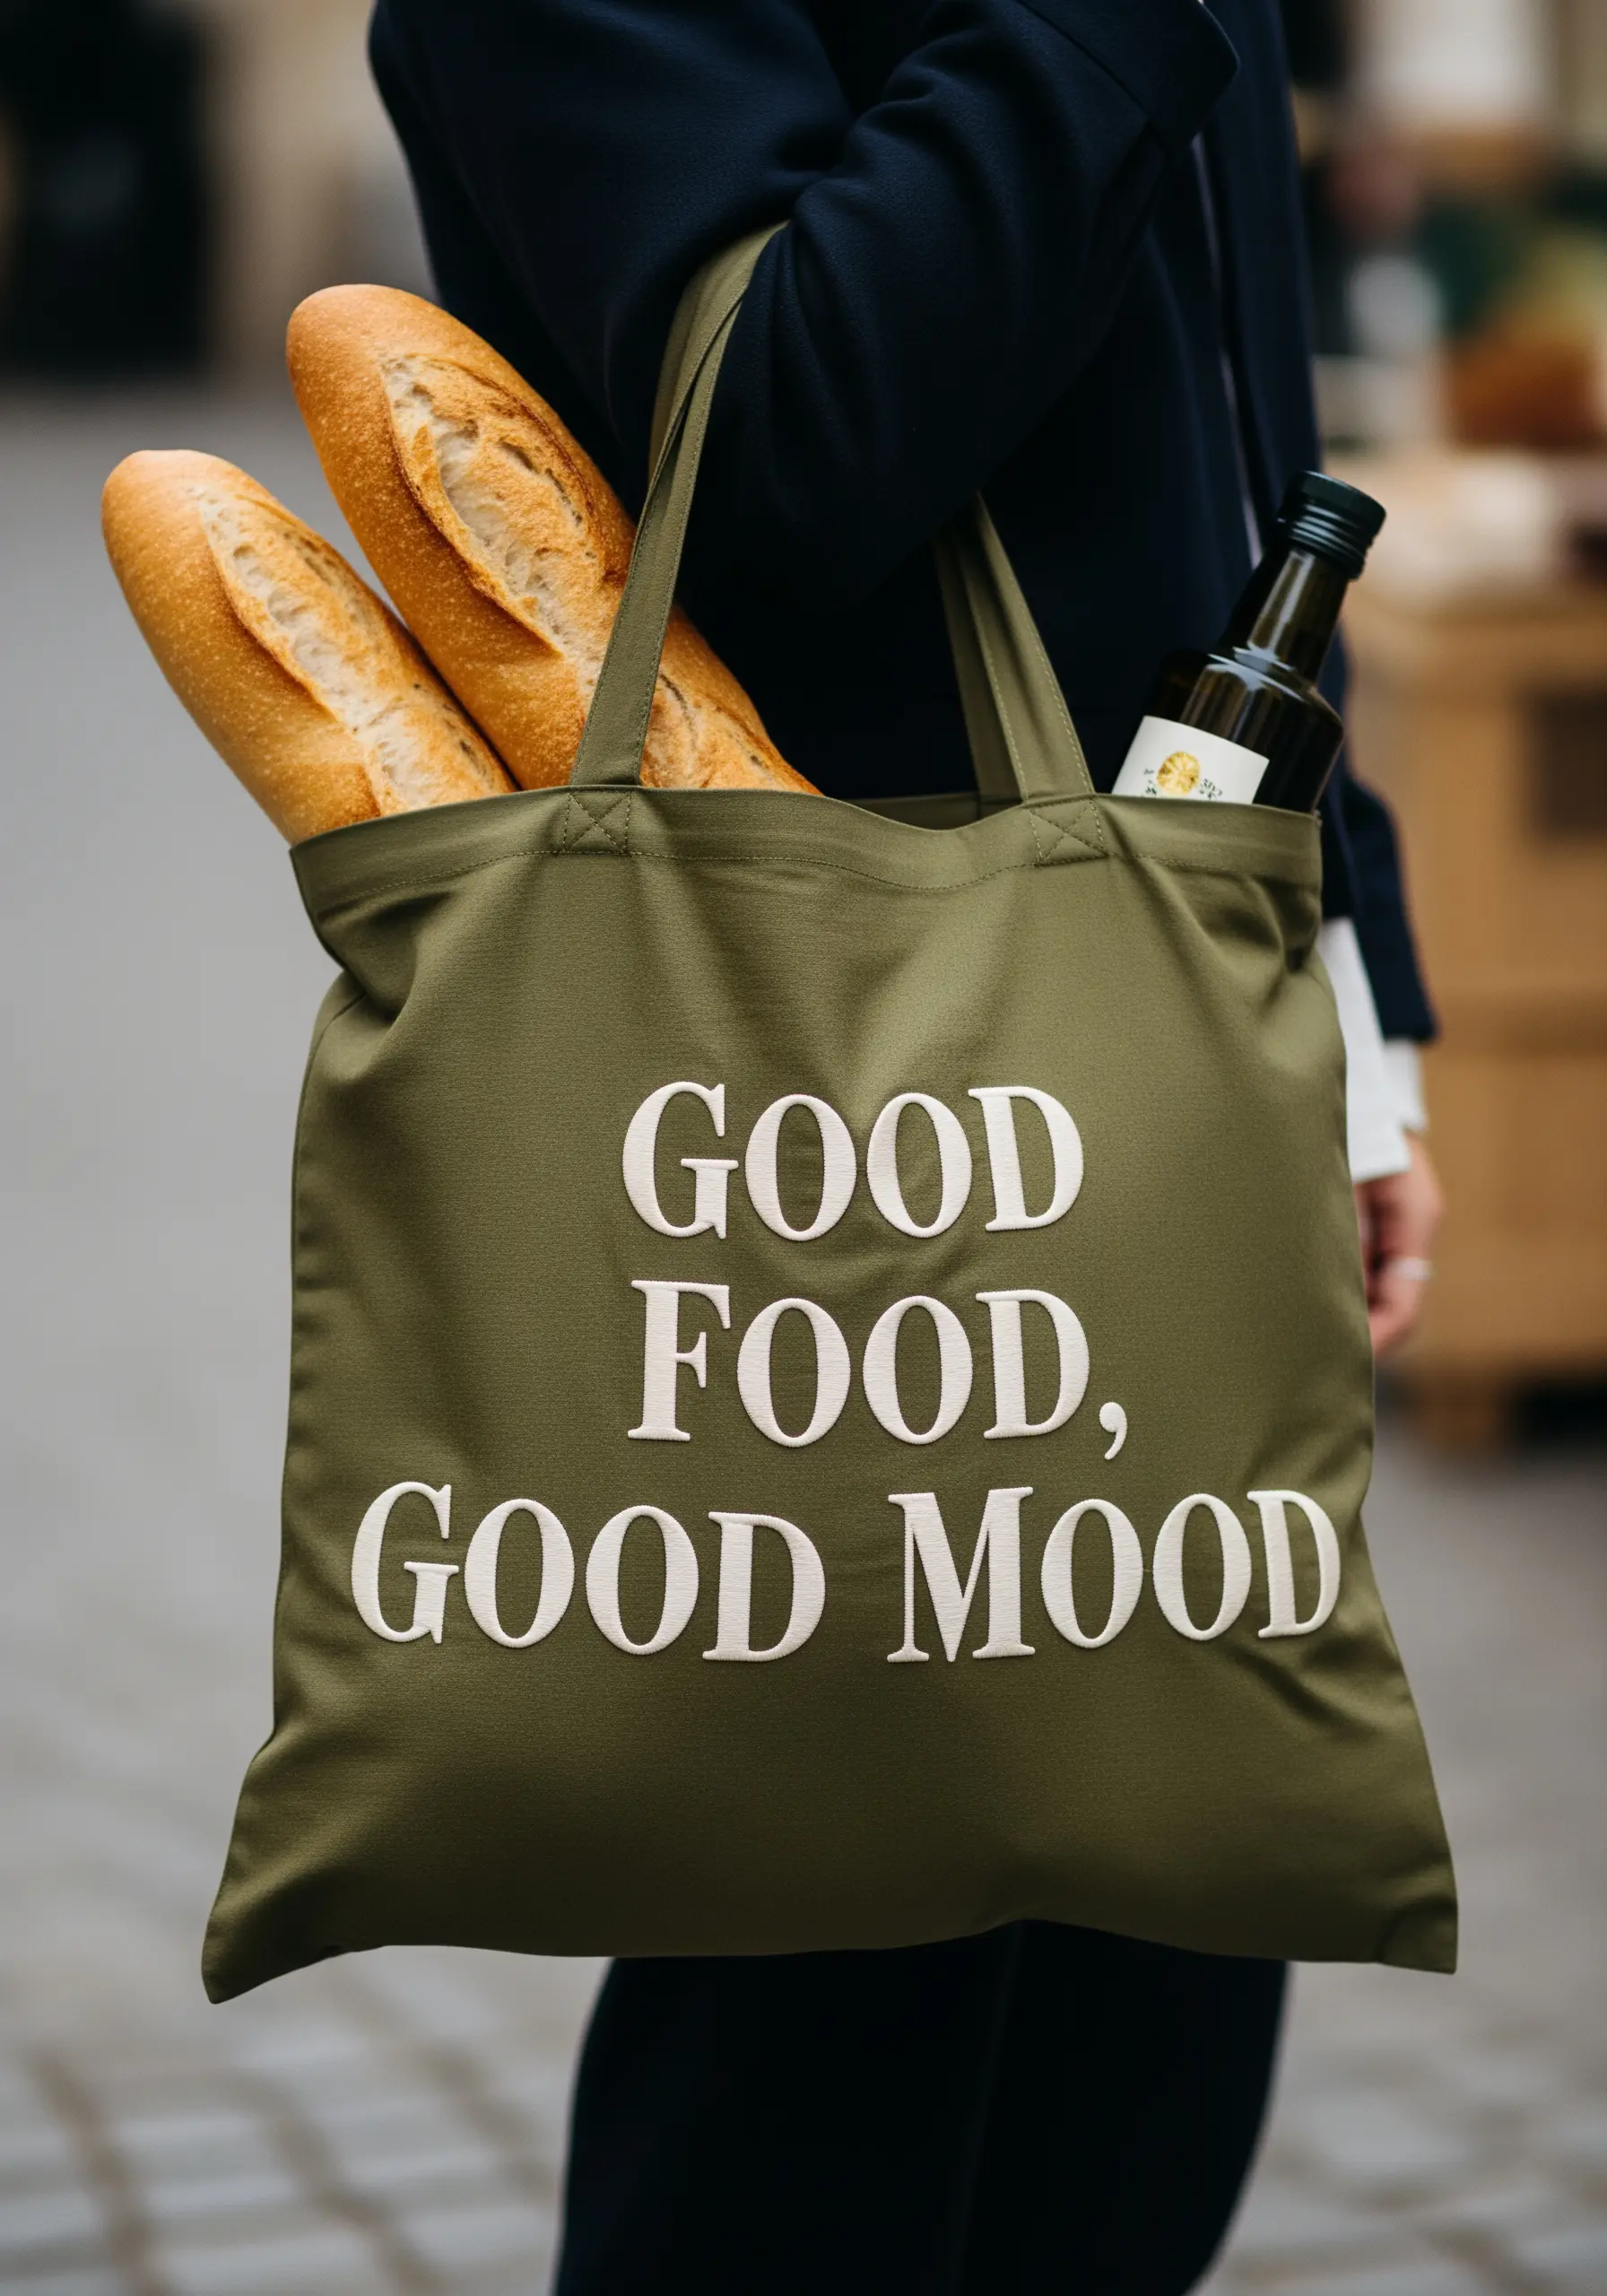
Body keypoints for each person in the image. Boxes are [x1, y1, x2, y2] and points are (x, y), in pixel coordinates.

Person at [369, 4, 1444, 2287]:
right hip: (822, 1136)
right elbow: (774, 449)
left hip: (1184, 1051)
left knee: (1149, 2035)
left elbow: (1250, 476)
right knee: (824, 2061)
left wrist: (1350, 998)